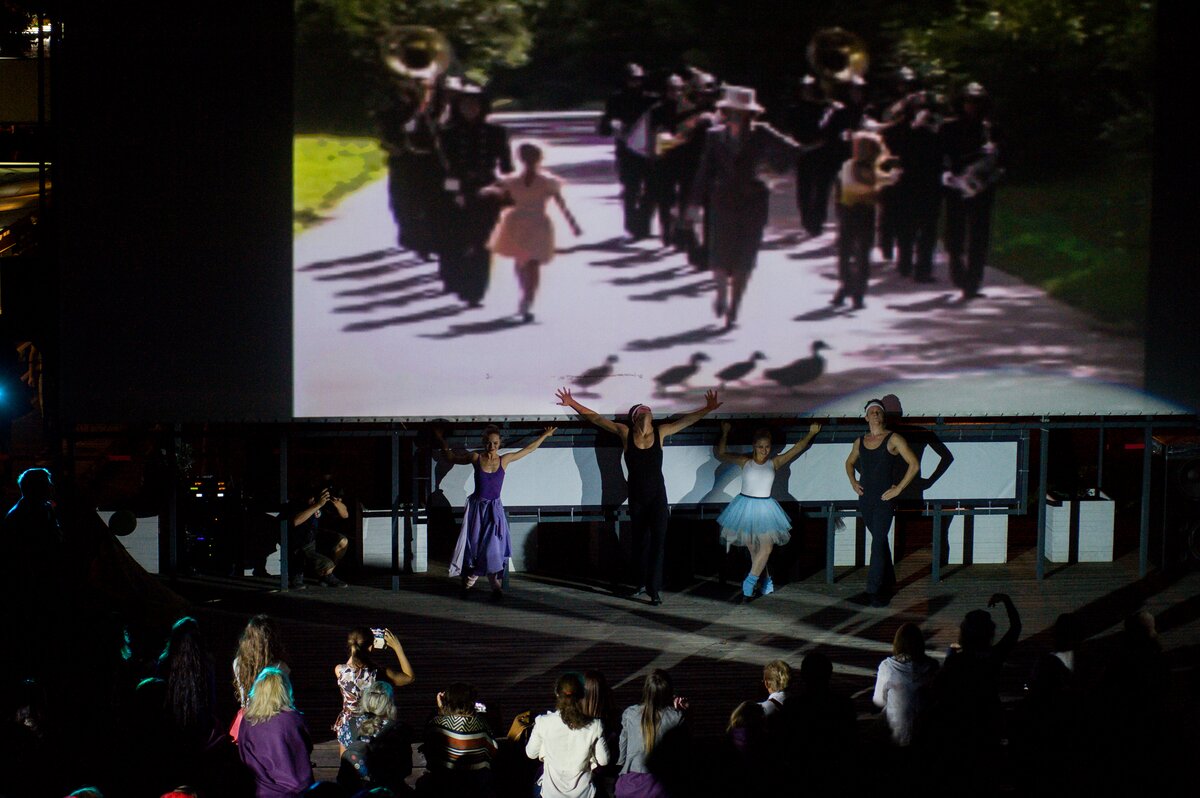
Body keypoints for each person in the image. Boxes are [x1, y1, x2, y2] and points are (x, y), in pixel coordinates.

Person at [556, 389, 722, 605]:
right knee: (641, 543)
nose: (647, 411)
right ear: (635, 417)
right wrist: (572, 402)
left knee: (658, 543)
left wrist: (708, 408)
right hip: (637, 498)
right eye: (642, 410)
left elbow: (686, 421)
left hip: (657, 498)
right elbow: (596, 419)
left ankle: (654, 590)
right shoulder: (625, 433)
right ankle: (641, 584)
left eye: (649, 410)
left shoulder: (661, 432)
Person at [687, 86, 804, 329]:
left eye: (743, 114)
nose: (738, 118)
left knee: (745, 256)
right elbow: (704, 170)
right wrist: (694, 203)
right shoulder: (715, 136)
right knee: (720, 251)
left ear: (752, 115)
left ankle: (735, 307)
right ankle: (721, 292)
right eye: (733, 113)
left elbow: (793, 150)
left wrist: (772, 170)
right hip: (722, 201)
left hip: (753, 202)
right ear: (725, 113)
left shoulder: (762, 132)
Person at [436, 424, 557, 598]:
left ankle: (487, 582)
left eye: (495, 443)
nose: (491, 446)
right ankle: (475, 581)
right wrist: (440, 438)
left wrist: (545, 435)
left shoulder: (504, 460)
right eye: (488, 442)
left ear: (500, 443)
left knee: (493, 545)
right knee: (476, 545)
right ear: (483, 442)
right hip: (478, 508)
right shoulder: (476, 457)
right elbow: (450, 457)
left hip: (494, 509)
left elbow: (529, 449)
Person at [714, 421, 822, 600]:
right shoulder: (745, 462)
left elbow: (797, 449)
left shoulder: (774, 462)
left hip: (766, 508)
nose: (764, 450)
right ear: (754, 446)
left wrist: (811, 433)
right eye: (760, 447)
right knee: (753, 549)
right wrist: (725, 432)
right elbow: (722, 454)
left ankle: (749, 583)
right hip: (745, 507)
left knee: (766, 547)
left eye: (767, 447)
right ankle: (766, 581)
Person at [484, 142, 582, 322]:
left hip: (537, 224)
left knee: (532, 262)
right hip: (518, 223)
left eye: (532, 158)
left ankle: (528, 298)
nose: (530, 161)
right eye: (526, 158)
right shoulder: (513, 180)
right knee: (522, 260)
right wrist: (488, 192)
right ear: (522, 159)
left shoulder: (547, 181)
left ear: (538, 159)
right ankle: (525, 294)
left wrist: (573, 224)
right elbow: (498, 193)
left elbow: (560, 203)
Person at [439, 83, 514, 306]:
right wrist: (453, 193)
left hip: (487, 189)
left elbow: (507, 167)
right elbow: (444, 169)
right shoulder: (447, 133)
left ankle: (475, 291)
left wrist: (506, 188)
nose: (470, 109)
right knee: (458, 239)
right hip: (457, 189)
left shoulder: (496, 133)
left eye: (474, 105)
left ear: (482, 107)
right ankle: (456, 279)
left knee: (483, 241)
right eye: (465, 105)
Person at [843, 399, 920, 607]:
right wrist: (853, 482)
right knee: (880, 541)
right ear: (866, 417)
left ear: (883, 416)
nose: (875, 414)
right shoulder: (860, 441)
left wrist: (899, 488)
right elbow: (849, 462)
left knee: (877, 542)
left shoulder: (893, 438)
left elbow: (914, 464)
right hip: (865, 499)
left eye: (879, 411)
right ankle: (888, 580)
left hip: (885, 499)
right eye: (872, 411)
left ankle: (873, 591)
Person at [940, 82, 1002, 300]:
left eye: (977, 102)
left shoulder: (990, 128)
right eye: (968, 101)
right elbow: (942, 154)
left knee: (979, 234)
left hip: (981, 187)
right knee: (954, 232)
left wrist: (992, 161)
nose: (972, 106)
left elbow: (1000, 159)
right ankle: (957, 269)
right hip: (957, 184)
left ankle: (973, 283)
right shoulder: (949, 127)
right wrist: (947, 173)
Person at [833, 131, 901, 309]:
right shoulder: (855, 168)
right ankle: (852, 289)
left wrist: (889, 178)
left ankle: (851, 289)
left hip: (853, 213)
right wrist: (888, 179)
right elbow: (866, 184)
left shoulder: (856, 167)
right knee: (856, 254)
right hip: (858, 213)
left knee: (852, 253)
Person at [597, 63, 659, 240]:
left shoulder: (651, 99)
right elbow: (604, 127)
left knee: (652, 189)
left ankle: (644, 224)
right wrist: (613, 125)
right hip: (626, 152)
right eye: (631, 79)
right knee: (631, 189)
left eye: (638, 79)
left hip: (649, 150)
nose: (635, 83)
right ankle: (631, 225)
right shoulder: (615, 99)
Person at [526, 673, 610, 798]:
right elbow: (603, 761)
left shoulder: (543, 722)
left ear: (557, 694)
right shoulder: (594, 725)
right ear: (581, 695)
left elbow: (531, 753)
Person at [333, 628, 415, 754]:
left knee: (348, 761)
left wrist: (361, 644)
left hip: (347, 725)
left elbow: (351, 669)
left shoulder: (339, 670)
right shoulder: (378, 673)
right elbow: (409, 678)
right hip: (371, 725)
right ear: (371, 647)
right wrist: (397, 648)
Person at [237, 667, 315, 798]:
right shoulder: (293, 718)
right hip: (296, 791)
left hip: (260, 791)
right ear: (284, 690)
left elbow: (243, 754)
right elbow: (307, 747)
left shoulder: (247, 721)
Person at [616, 669, 688, 798]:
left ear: (646, 690)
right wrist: (684, 713)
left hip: (630, 785)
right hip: (660, 785)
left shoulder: (630, 714)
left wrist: (621, 768)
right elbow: (682, 753)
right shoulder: (676, 717)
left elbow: (622, 750)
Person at [420, 682, 497, 797]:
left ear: (447, 701)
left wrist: (440, 709)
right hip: (479, 787)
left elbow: (429, 751)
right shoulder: (481, 723)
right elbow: (493, 751)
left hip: (445, 786)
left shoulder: (437, 723)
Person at [340, 680, 413, 794]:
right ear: (389, 703)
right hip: (388, 791)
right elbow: (406, 769)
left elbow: (344, 762)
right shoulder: (399, 729)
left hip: (356, 792)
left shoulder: (349, 725)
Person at [872, 622, 938, 746]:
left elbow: (879, 701)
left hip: (896, 736)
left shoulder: (887, 667)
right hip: (925, 733)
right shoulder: (932, 666)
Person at [288, 478, 351, 589]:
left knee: (342, 541)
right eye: (311, 496)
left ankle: (327, 575)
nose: (313, 499)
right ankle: (297, 575)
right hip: (299, 541)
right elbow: (296, 521)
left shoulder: (322, 501)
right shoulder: (298, 503)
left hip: (314, 537)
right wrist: (317, 505)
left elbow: (345, 515)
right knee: (326, 564)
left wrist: (334, 501)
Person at [233, 614, 290, 710]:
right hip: (270, 715)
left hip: (247, 714)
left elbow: (243, 699)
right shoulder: (279, 667)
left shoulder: (238, 663)